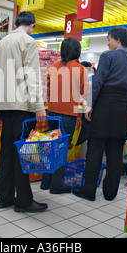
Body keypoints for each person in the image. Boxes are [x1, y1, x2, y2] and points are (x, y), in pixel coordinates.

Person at [0, 11, 47, 213]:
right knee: (22, 153)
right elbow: (32, 76)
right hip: (22, 107)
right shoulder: (28, 42)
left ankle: (3, 197)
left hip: (4, 105)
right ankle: (23, 200)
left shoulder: (1, 43)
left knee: (7, 152)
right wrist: (39, 106)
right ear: (32, 25)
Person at [73, 27, 127, 202]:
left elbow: (98, 82)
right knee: (115, 154)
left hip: (104, 107)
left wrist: (90, 106)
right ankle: (110, 193)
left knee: (95, 151)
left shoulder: (108, 56)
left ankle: (89, 191)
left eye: (109, 39)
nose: (108, 42)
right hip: (121, 110)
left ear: (117, 40)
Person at [40, 37, 90, 194]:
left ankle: (45, 182)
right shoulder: (80, 69)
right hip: (68, 114)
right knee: (61, 150)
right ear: (77, 51)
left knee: (51, 147)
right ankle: (57, 186)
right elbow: (84, 92)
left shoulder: (54, 66)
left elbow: (48, 88)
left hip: (52, 112)